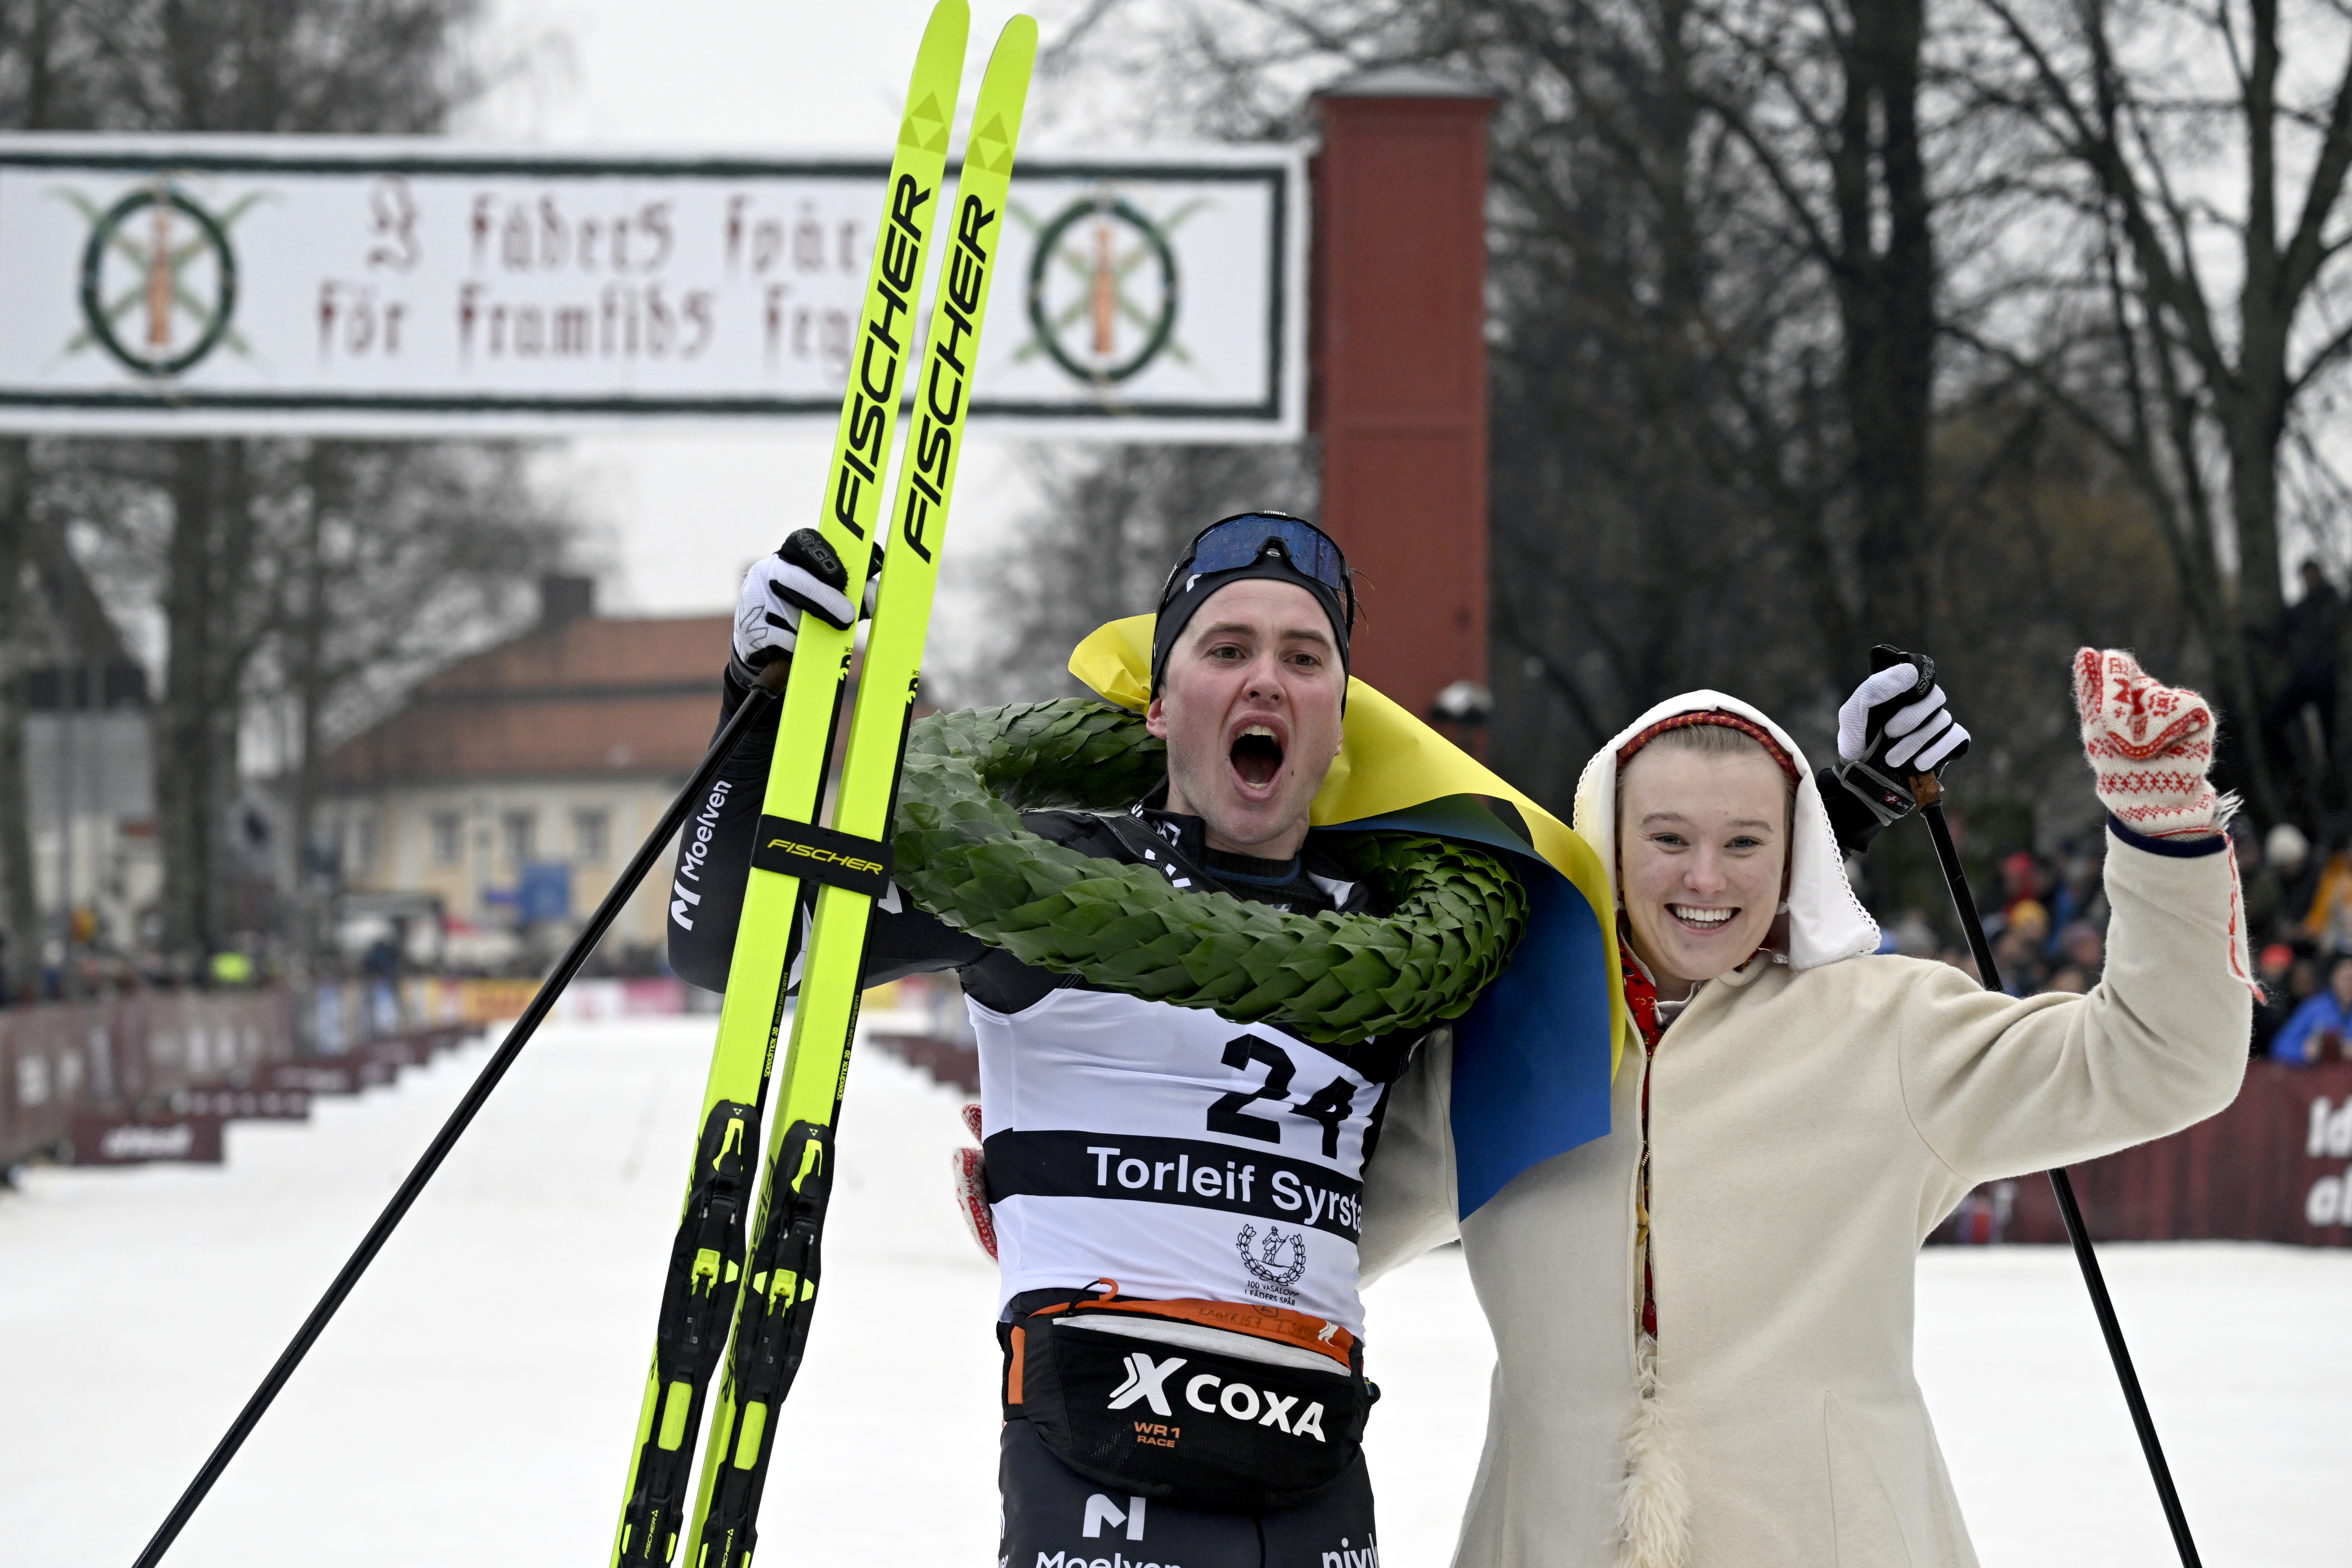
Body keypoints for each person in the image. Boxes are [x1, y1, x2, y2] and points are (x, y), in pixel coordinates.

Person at [1356, 648, 2253, 1568]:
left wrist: (2165, 831)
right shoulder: (1501, 1047)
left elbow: (2165, 1055)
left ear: (1794, 856)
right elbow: (1316, 1230)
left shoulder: (1884, 1031)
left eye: (1745, 843)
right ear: (1605, 845)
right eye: (1668, 839)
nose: (1707, 878)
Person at [672, 513, 1434, 1565]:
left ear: (1338, 720)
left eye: (1304, 659)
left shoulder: (1398, 940)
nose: (1266, 678)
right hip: (1098, 1446)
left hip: (1312, 1465)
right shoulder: (1047, 876)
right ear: (1159, 706)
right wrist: (760, 693)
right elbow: (732, 946)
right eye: (1227, 649)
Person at [2270, 952, 2352, 1064]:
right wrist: (2305, 1051)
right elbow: (2280, 1046)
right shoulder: (2314, 1007)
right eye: (2346, 979)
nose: (2349, 984)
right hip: (2318, 1072)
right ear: (2333, 978)